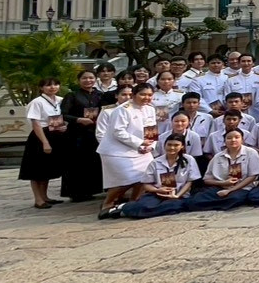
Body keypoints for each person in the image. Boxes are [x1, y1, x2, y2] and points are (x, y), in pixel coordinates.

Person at [96, 82, 158, 216]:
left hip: (142, 150)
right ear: (134, 95)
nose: (146, 98)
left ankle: (133, 203)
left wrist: (150, 146)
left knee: (145, 177)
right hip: (116, 151)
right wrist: (140, 143)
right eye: (142, 94)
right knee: (125, 180)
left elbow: (151, 130)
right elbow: (118, 132)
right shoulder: (123, 109)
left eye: (149, 95)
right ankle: (107, 204)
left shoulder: (150, 109)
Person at [105, 133, 201, 219]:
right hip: (157, 194)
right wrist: (157, 190)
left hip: (179, 195)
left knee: (175, 207)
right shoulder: (156, 162)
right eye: (169, 145)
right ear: (164, 145)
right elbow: (146, 184)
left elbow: (190, 181)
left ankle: (124, 210)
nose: (172, 148)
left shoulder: (188, 160)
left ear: (182, 146)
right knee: (145, 205)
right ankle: (129, 208)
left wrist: (177, 196)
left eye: (176, 145)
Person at [20, 77, 69, 209]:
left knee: (46, 168)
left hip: (56, 134)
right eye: (48, 85)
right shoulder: (37, 102)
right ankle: (38, 199)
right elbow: (35, 123)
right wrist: (45, 142)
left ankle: (45, 196)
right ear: (41, 88)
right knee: (36, 169)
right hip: (40, 136)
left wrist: (64, 126)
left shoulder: (60, 100)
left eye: (55, 84)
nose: (52, 87)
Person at [186, 128, 259, 210]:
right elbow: (207, 179)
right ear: (224, 141)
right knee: (194, 201)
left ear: (242, 140)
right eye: (229, 138)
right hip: (221, 187)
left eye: (237, 137)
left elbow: (253, 176)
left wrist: (230, 190)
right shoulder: (218, 156)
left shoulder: (251, 152)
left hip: (242, 187)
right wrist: (223, 183)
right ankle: (218, 204)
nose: (233, 140)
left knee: (235, 199)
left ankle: (213, 204)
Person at [60, 69, 106, 202]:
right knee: (76, 163)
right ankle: (75, 193)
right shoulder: (72, 95)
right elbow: (63, 114)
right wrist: (79, 119)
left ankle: (91, 190)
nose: (88, 81)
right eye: (84, 78)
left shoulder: (100, 95)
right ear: (79, 80)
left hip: (94, 133)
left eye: (91, 78)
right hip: (76, 134)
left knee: (92, 162)